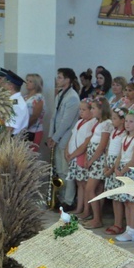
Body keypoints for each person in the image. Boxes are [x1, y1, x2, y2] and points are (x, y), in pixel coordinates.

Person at [109, 112, 134, 241]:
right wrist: (116, 167)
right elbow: (120, 155)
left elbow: (133, 160)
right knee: (126, 202)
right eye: (126, 121)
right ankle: (127, 230)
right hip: (123, 171)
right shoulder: (124, 137)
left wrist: (122, 171)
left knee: (132, 202)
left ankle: (132, 231)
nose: (127, 124)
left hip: (132, 172)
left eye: (131, 121)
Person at [47, 68, 81, 209]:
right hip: (57, 136)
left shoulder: (72, 97)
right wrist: (50, 135)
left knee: (66, 171)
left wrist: (55, 137)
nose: (58, 80)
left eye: (60, 77)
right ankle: (60, 197)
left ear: (68, 80)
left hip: (66, 137)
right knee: (59, 170)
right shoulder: (60, 94)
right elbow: (54, 117)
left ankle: (69, 200)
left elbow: (66, 122)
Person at [80, 98, 112, 229]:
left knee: (90, 189)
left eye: (93, 108)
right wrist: (88, 157)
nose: (91, 110)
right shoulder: (99, 122)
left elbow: (102, 145)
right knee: (97, 189)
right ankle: (95, 217)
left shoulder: (107, 123)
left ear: (101, 109)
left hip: (99, 160)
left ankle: (97, 219)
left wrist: (92, 159)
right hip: (93, 158)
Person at [65, 98, 95, 219]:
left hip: (81, 156)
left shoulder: (91, 123)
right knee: (79, 183)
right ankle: (79, 207)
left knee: (84, 184)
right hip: (74, 156)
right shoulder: (79, 122)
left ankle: (86, 210)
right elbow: (72, 137)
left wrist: (73, 154)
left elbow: (85, 144)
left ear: (91, 110)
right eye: (80, 110)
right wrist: (67, 150)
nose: (81, 112)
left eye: (84, 109)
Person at [102, 107, 127, 236]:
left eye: (115, 118)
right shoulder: (113, 131)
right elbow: (108, 149)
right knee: (114, 198)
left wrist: (111, 169)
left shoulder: (124, 135)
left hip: (117, 167)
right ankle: (116, 222)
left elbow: (121, 154)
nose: (112, 121)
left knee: (119, 197)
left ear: (123, 120)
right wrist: (106, 164)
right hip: (110, 164)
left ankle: (119, 224)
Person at [0, 69, 29, 137]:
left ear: (10, 86)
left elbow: (10, 128)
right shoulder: (12, 101)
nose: (2, 86)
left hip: (12, 140)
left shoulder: (17, 104)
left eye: (4, 83)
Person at [23, 73, 45, 148]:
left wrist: (25, 127)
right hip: (24, 130)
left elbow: (35, 116)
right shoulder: (24, 97)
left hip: (33, 130)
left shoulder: (38, 97)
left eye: (30, 81)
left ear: (36, 84)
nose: (27, 83)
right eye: (27, 80)